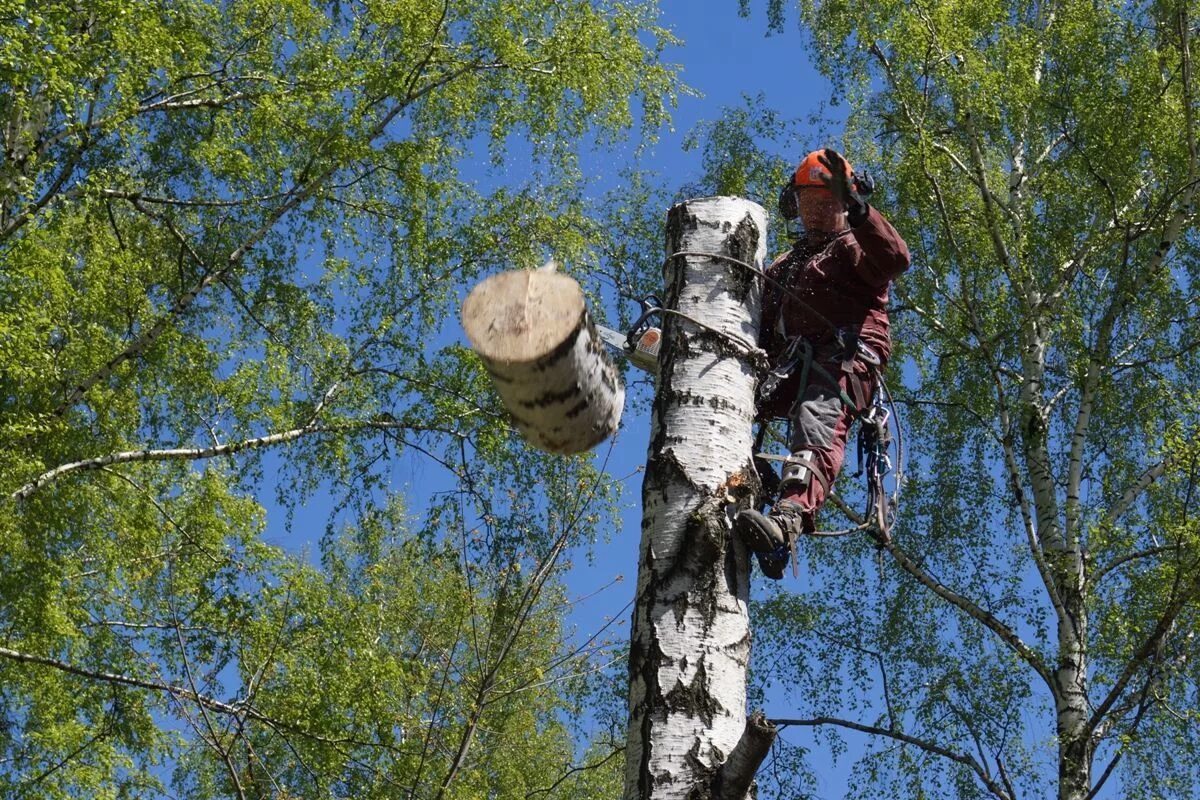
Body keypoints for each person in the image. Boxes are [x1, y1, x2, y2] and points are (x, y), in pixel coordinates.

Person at [733, 148, 910, 579]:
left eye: (825, 203)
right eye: (808, 204)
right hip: (791, 363)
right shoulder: (785, 265)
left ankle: (788, 520)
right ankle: (757, 485)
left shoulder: (855, 245)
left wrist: (861, 211)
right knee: (734, 407)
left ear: (843, 204)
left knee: (818, 421)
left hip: (844, 357)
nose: (815, 214)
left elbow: (896, 258)